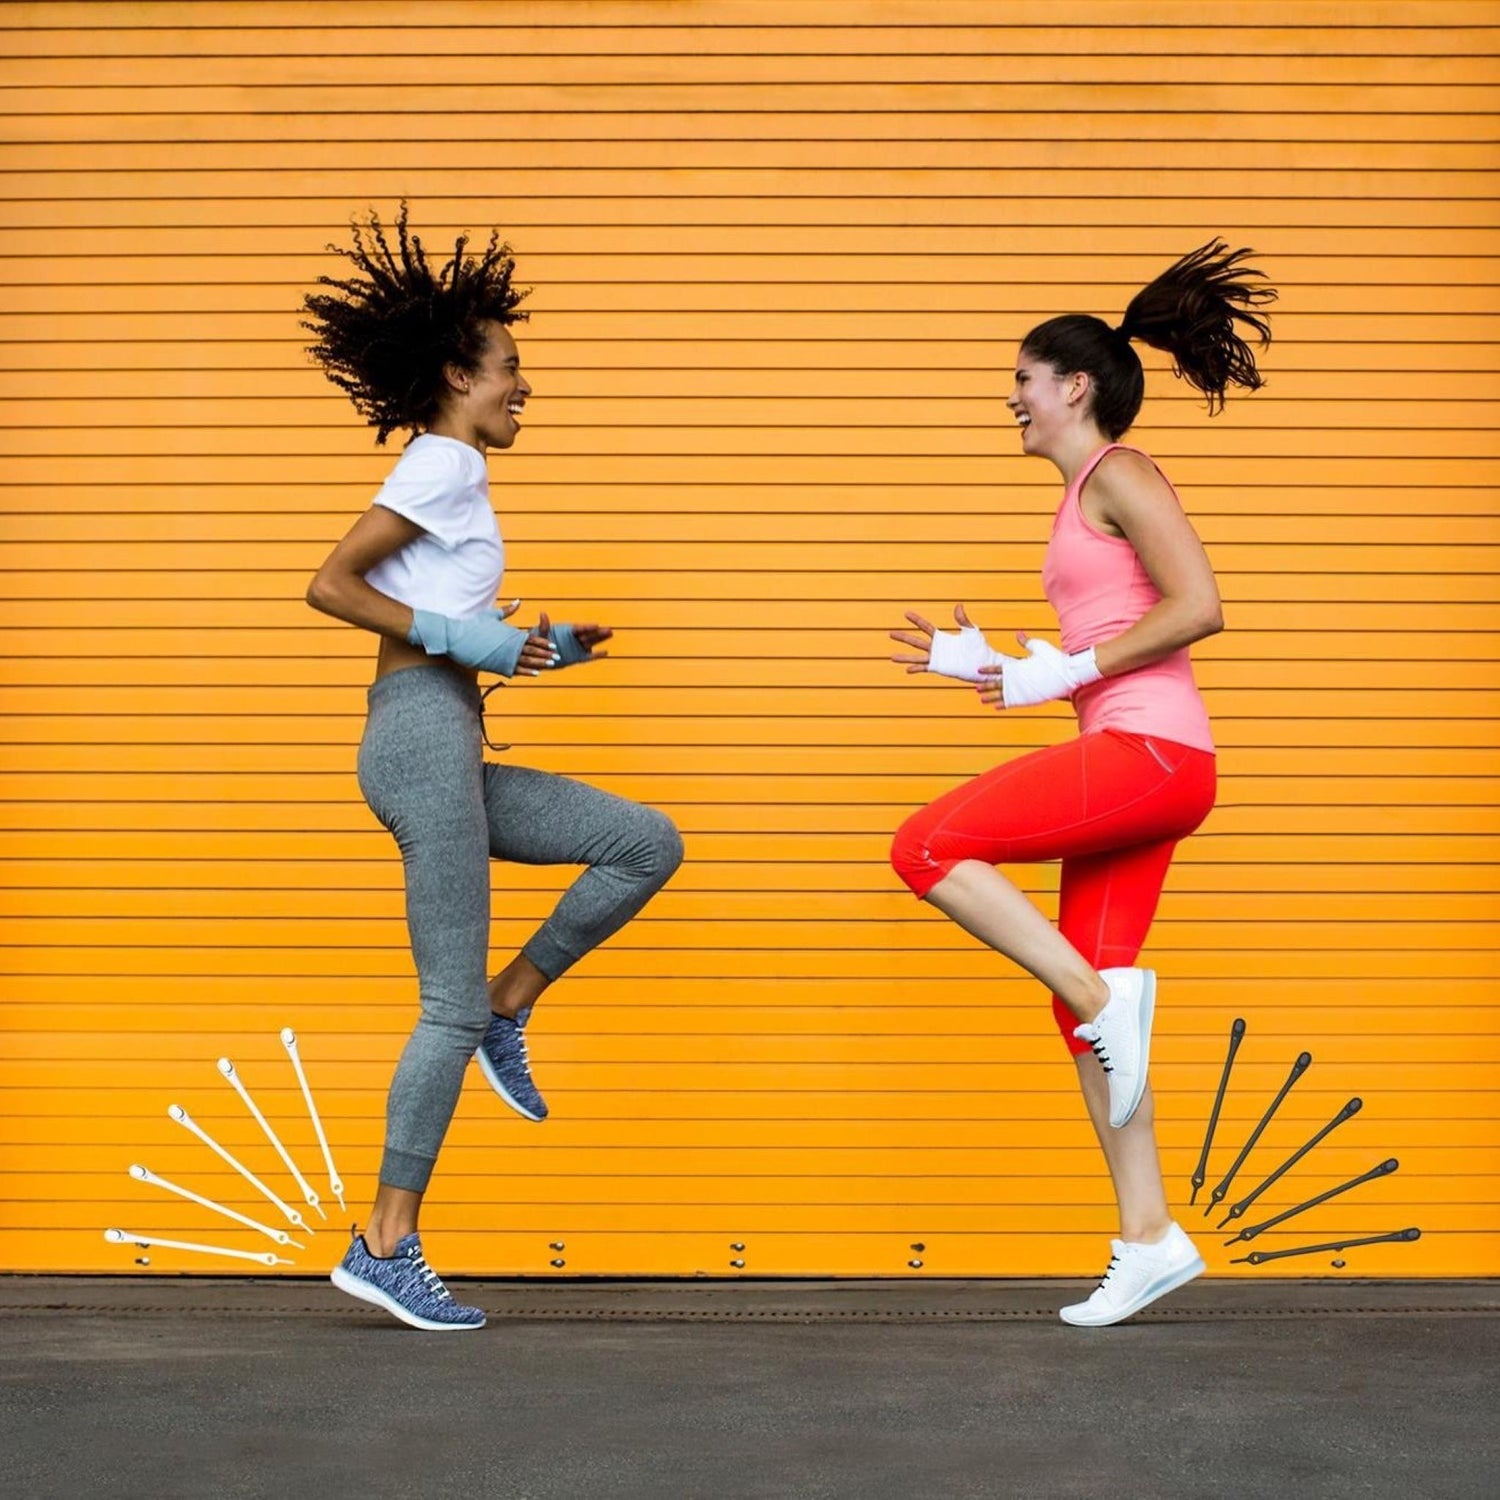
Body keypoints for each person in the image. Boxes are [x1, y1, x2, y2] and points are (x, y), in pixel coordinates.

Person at [301, 207, 683, 1330]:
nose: (526, 386)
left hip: (444, 732)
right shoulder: (441, 460)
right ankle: (385, 1243)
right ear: (460, 374)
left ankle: (515, 1008)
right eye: (511, 369)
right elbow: (332, 585)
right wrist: (471, 643)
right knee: (443, 1010)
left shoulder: (454, 472)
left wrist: (533, 649)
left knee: (641, 841)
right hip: (419, 738)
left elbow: (443, 617)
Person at [889, 242, 1274, 1326]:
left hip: (1156, 758)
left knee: (925, 847)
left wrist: (1064, 668)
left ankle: (1116, 1003)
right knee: (1081, 1019)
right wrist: (1004, 669)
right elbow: (1109, 644)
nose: (1010, 397)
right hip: (1136, 752)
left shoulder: (1122, 472)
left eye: (1023, 379)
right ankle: (1149, 1236)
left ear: (1075, 387)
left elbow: (1199, 604)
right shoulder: (1077, 502)